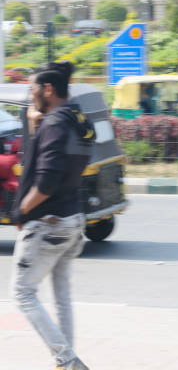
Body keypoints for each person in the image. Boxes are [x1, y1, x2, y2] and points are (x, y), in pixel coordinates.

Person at [10, 62, 95, 370]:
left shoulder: (54, 124)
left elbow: (45, 181)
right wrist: (36, 128)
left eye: (32, 89)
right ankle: (66, 360)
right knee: (61, 295)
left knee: (23, 293)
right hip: (73, 219)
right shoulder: (77, 118)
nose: (30, 95)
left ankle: (67, 360)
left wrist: (22, 209)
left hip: (47, 223)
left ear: (48, 89)